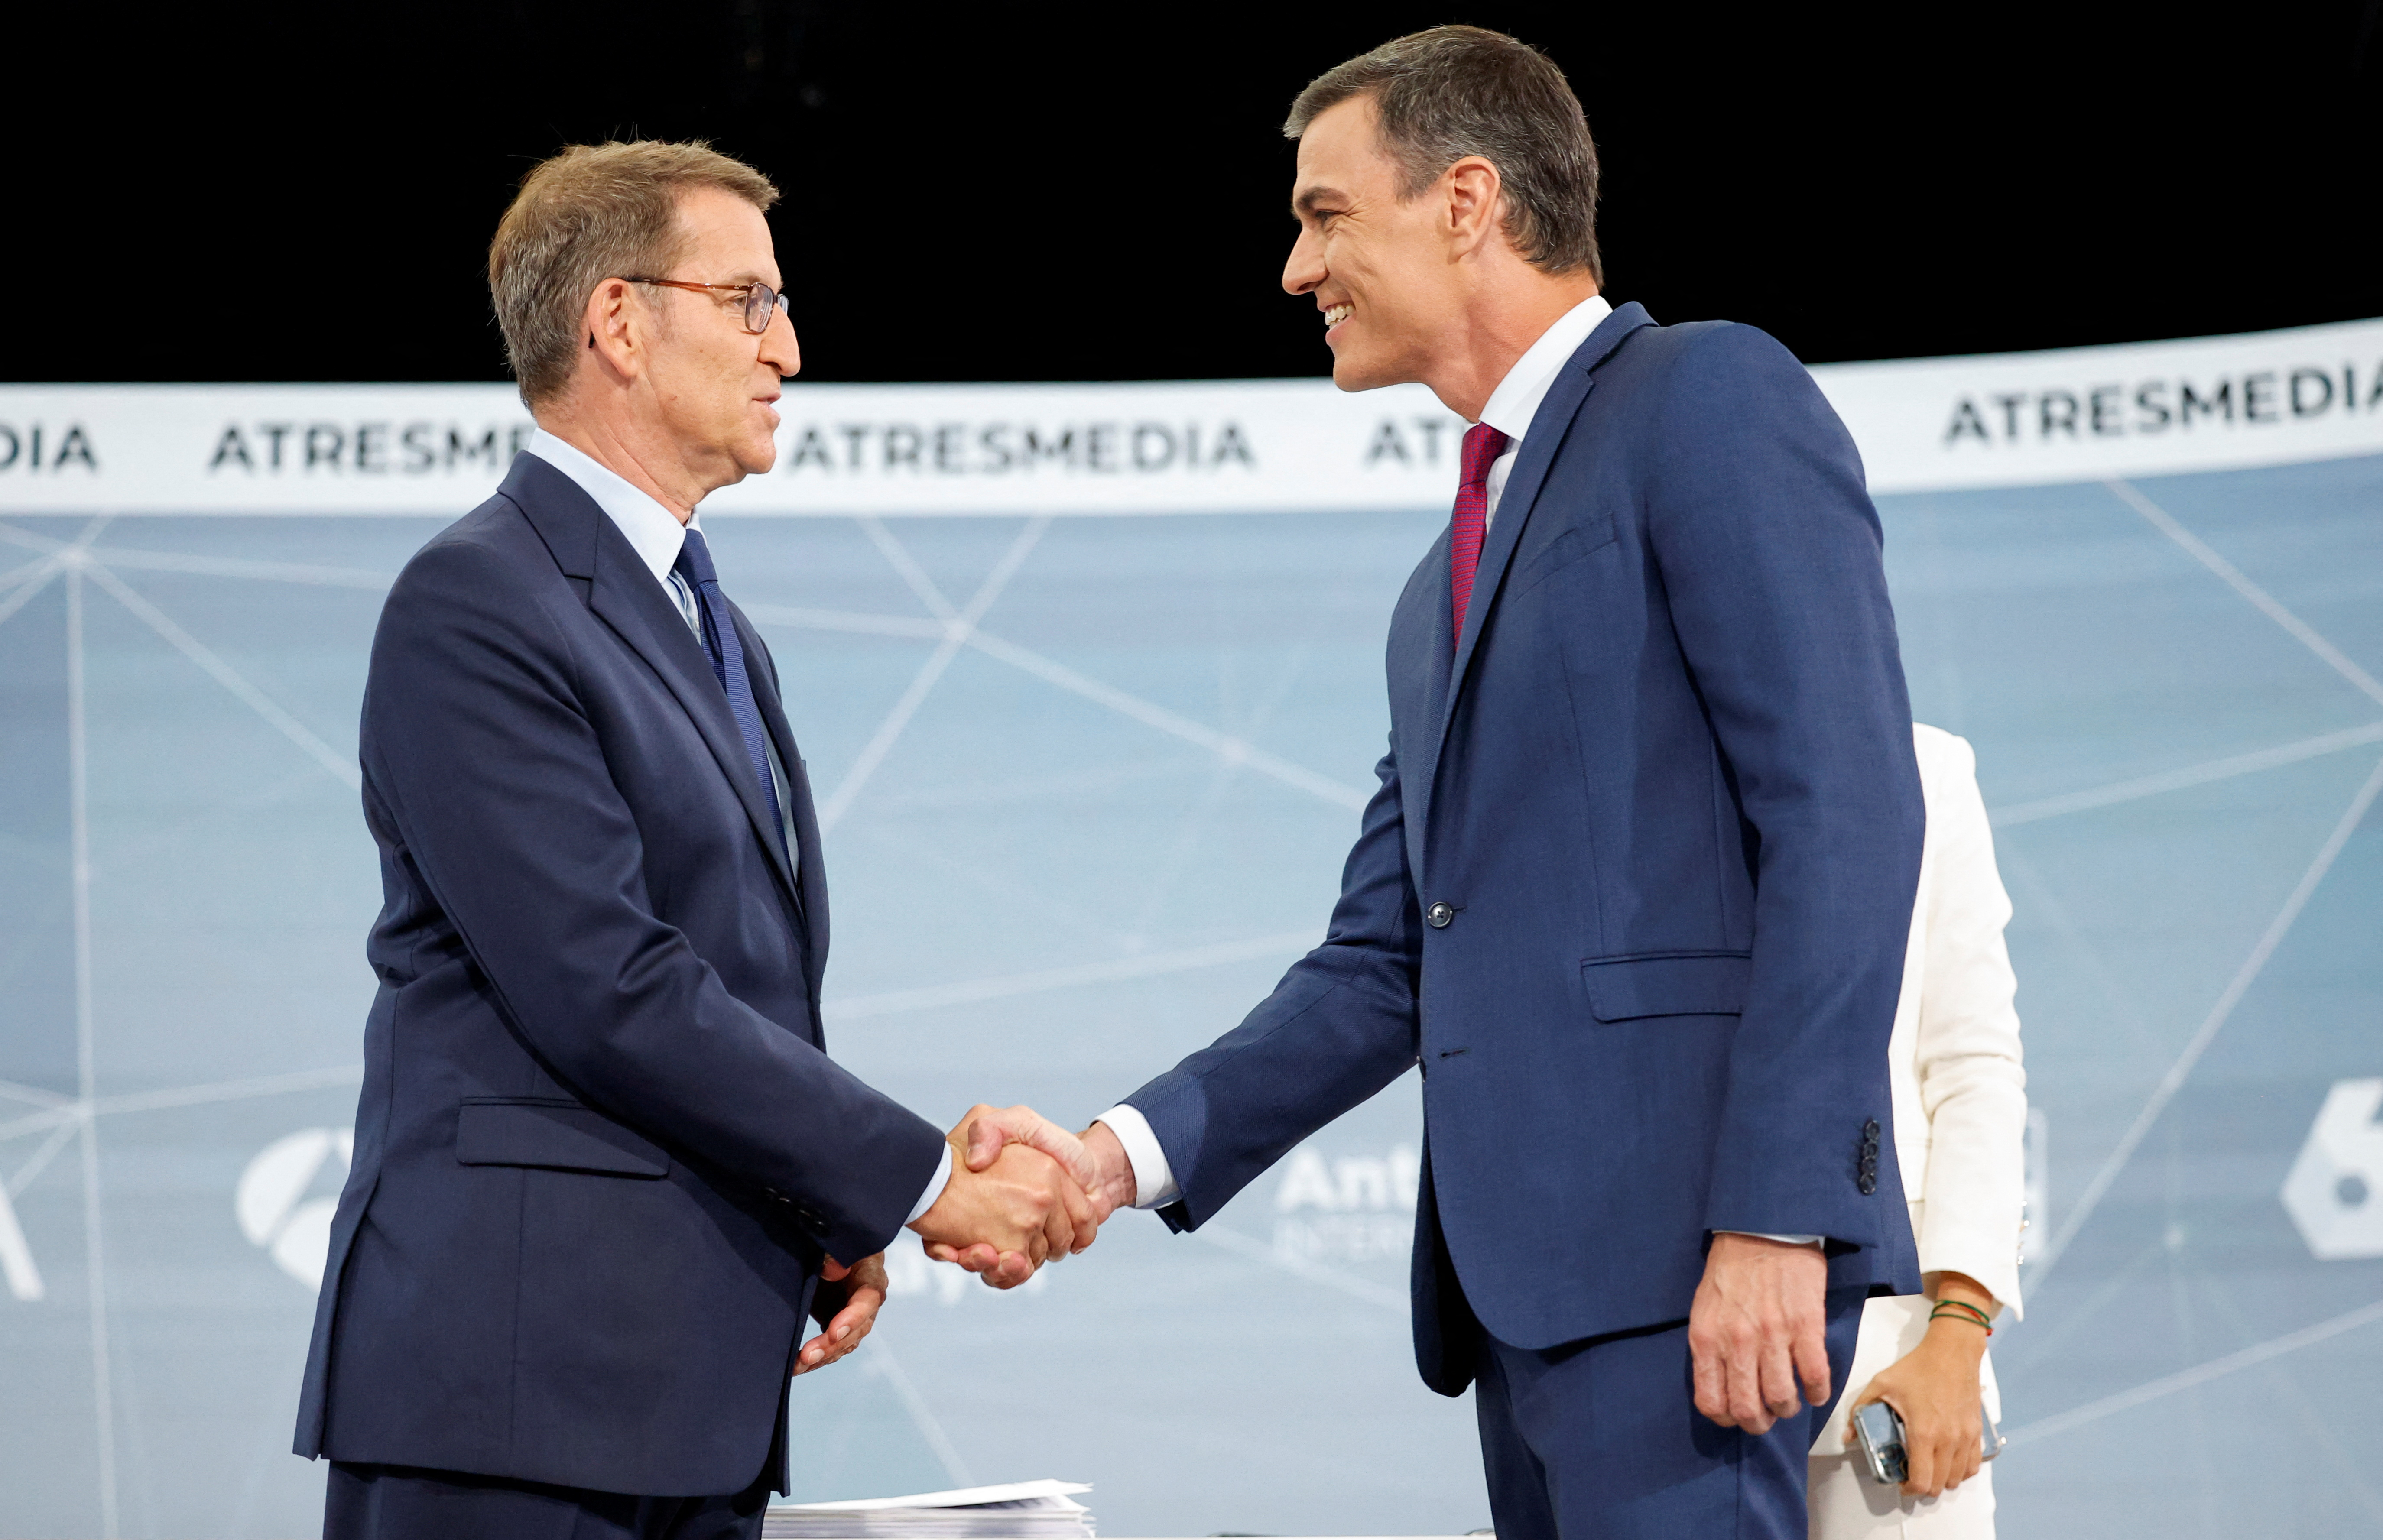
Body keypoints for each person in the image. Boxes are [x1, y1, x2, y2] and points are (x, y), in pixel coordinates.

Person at [962, 26, 1926, 1539]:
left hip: (1695, 1274)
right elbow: (1378, 966)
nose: (1296, 268)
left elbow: (1848, 816)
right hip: (1523, 1315)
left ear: (1468, 199)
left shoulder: (1709, 400)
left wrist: (1777, 1215)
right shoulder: (1439, 588)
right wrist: (1111, 1156)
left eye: (1325, 214)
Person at [292, 140, 1096, 1540]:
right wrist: (912, 1178)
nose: (788, 343)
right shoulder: (478, 601)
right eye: (750, 302)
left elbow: (730, 984)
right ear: (617, 320)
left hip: (676, 1399)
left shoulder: (711, 618)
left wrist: (815, 1203)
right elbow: (608, 983)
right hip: (514, 1407)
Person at [1809, 725, 2027, 1538]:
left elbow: (1975, 1067)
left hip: (1890, 1386)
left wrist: (1958, 1336)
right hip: (1666, 1384)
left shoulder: (1923, 765)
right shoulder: (1623, 771)